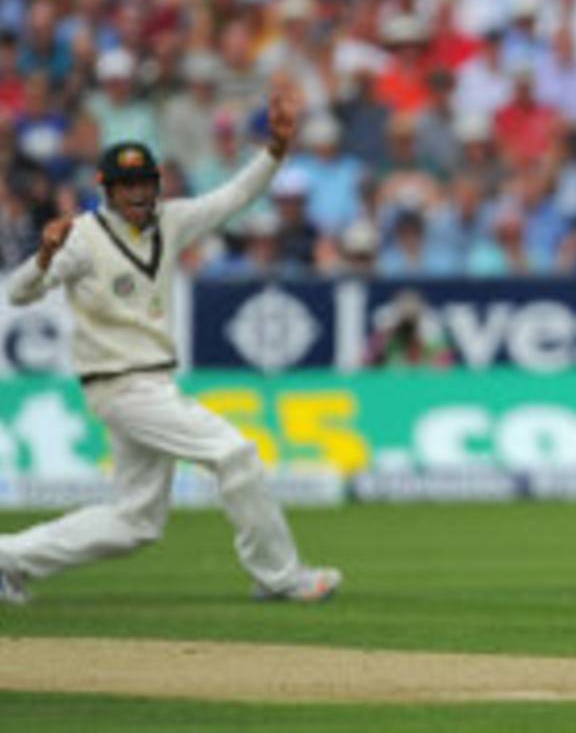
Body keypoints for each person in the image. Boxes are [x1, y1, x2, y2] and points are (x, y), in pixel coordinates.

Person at [0, 92, 342, 605]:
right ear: (106, 190)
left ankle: (9, 558)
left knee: (135, 523)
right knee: (235, 453)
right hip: (121, 384)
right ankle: (280, 576)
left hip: (153, 382)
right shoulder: (81, 238)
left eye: (144, 183)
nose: (137, 194)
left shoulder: (173, 221)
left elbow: (232, 197)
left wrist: (273, 151)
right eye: (126, 185)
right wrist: (45, 255)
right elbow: (19, 291)